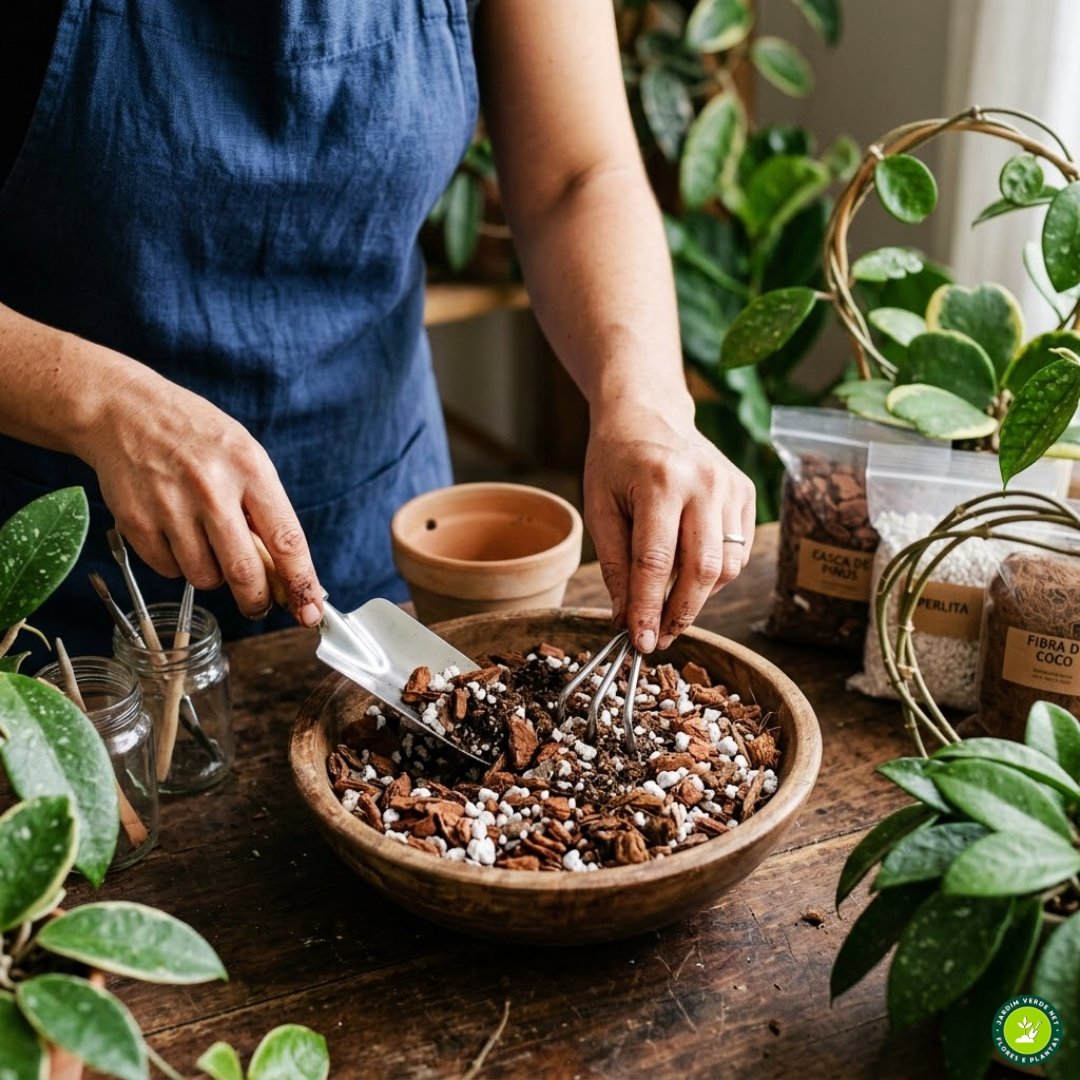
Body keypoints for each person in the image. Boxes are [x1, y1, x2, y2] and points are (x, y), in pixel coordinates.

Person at [0, 2, 755, 659]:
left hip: (373, 509)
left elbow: (577, 176)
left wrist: (644, 398)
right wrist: (101, 404)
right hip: (57, 560)